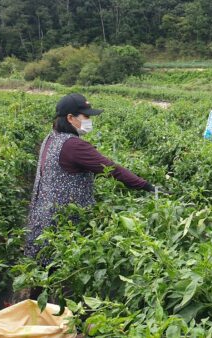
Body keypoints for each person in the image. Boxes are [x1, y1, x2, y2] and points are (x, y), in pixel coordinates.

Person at [24, 93, 156, 284]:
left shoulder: (51, 137)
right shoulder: (73, 145)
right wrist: (146, 186)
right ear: (70, 118)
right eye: (86, 116)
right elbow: (111, 169)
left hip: (42, 218)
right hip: (61, 224)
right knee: (60, 277)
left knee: (44, 276)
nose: (89, 120)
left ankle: (39, 310)